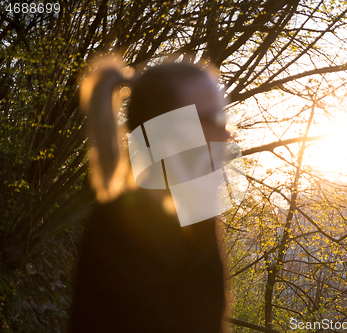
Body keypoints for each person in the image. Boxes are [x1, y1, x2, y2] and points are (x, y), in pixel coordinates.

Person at [69, 56, 231, 333]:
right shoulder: (121, 231)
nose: (226, 134)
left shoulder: (197, 222)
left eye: (224, 117)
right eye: (211, 118)